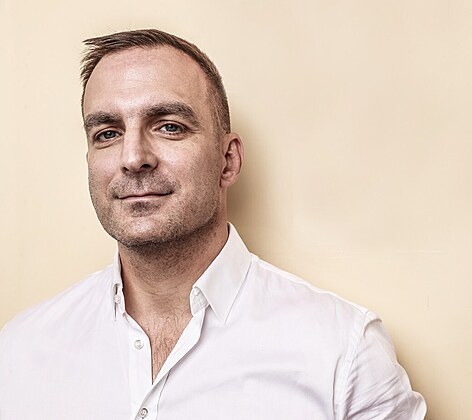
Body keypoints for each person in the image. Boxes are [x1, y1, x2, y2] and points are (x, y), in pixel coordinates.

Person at [0, 29, 426, 419]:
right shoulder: (18, 353)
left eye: (169, 127)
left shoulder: (344, 356)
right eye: (107, 133)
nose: (133, 158)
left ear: (228, 160)